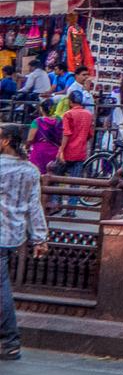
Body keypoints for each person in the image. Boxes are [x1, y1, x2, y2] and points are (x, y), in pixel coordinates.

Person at [0, 122, 50, 360]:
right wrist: (40, 238)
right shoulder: (30, 169)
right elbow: (34, 207)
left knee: (1, 288)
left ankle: (9, 341)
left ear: (6, 141)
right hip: (13, 235)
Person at [27, 100, 62, 174]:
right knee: (52, 175)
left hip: (39, 151)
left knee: (36, 173)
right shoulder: (59, 120)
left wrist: (27, 147)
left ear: (41, 109)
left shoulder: (37, 121)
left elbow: (30, 139)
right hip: (55, 151)